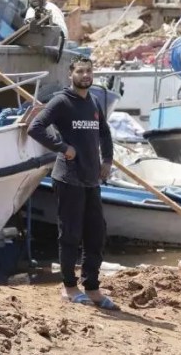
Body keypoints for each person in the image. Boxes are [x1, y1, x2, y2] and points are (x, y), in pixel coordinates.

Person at [27, 56, 118, 310]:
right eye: (80, 71)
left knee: (96, 234)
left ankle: (93, 288)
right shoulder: (62, 101)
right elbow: (35, 127)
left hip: (91, 179)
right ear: (71, 74)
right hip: (68, 178)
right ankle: (69, 287)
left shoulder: (94, 102)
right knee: (70, 235)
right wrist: (63, 147)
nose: (86, 75)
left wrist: (107, 160)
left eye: (89, 71)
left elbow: (105, 133)